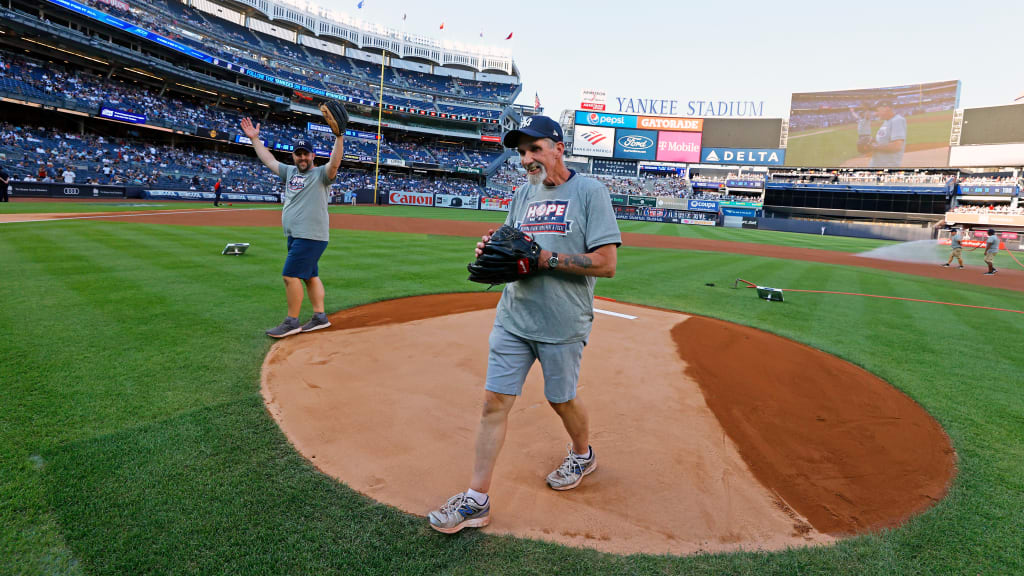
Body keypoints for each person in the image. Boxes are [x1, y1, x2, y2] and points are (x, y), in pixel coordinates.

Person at [428, 115, 622, 534]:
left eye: (535, 149)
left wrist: (544, 259)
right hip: (514, 317)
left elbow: (606, 264)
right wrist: (492, 250)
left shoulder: (590, 192)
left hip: (563, 321)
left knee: (561, 399)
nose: (527, 159)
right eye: (520, 152)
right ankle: (476, 501)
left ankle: (582, 454)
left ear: (558, 148)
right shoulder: (522, 195)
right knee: (493, 403)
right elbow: (513, 248)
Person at [240, 112, 346, 338]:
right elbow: (268, 160)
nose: (302, 158)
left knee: (290, 275)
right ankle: (319, 317)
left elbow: (335, 163)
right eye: (298, 154)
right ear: (294, 156)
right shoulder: (290, 172)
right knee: (310, 276)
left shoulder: (321, 175)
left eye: (305, 154)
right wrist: (254, 139)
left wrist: (339, 137)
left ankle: (292, 321)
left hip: (311, 235)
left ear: (312, 155)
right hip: (296, 235)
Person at [867, 100, 907, 168]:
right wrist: (872, 142)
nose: (875, 114)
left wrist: (875, 146)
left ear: (886, 108)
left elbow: (896, 146)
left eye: (877, 110)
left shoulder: (897, 120)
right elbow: (883, 141)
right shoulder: (886, 121)